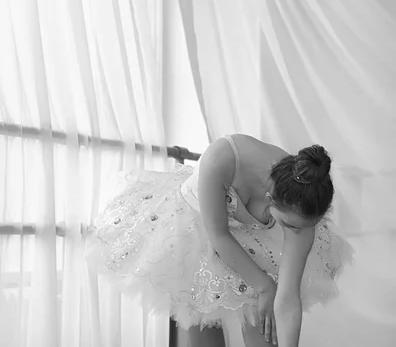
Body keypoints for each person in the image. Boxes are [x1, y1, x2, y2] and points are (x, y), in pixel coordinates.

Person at [87, 134, 353, 347]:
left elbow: (288, 295)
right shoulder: (222, 158)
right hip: (198, 228)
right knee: (200, 333)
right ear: (272, 198)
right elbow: (218, 235)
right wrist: (264, 286)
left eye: (305, 227)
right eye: (290, 226)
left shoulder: (304, 211)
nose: (297, 232)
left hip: (254, 238)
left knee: (266, 329)